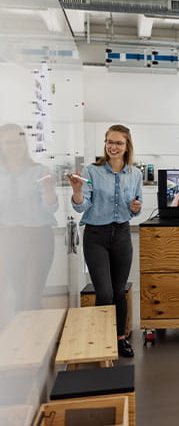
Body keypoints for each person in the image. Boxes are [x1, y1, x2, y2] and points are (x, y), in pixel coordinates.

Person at [68, 124, 142, 358]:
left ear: (127, 146)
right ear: (105, 144)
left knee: (119, 291)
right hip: (96, 236)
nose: (113, 147)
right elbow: (82, 205)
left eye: (119, 143)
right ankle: (101, 340)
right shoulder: (92, 171)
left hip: (121, 233)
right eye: (110, 142)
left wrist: (135, 207)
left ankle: (120, 339)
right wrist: (77, 191)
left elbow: (135, 208)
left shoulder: (135, 174)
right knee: (105, 292)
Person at [0, 123, 58, 319]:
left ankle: (32, 342)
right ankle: (22, 342)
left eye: (18, 141)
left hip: (38, 237)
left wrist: (50, 189)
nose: (14, 146)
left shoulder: (39, 171)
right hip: (9, 237)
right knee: (18, 294)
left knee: (31, 297)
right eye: (8, 142)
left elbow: (51, 207)